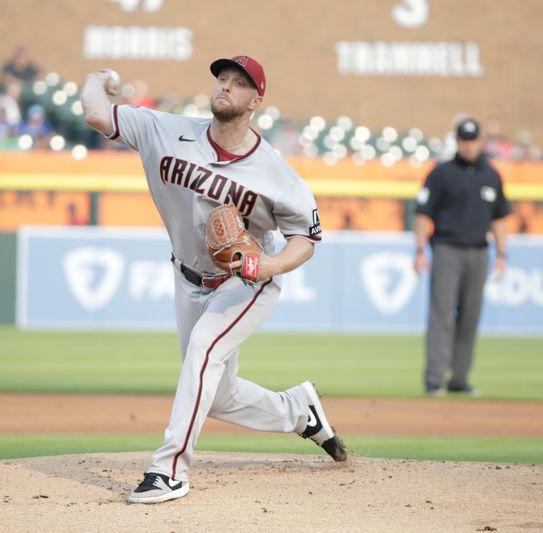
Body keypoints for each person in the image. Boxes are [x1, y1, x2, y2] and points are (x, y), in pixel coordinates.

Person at [81, 55, 347, 504]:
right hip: (186, 277)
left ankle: (168, 470)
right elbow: (94, 112)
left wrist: (268, 267)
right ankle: (299, 411)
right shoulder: (166, 131)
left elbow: (306, 238)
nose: (226, 86)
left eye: (239, 83)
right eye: (222, 78)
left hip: (244, 280)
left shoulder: (276, 173)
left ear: (255, 100)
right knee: (218, 395)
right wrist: (97, 79)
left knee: (204, 349)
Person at [413, 118, 511, 397]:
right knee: (441, 314)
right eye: (464, 140)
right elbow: (423, 214)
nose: (468, 145)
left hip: (479, 251)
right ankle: (434, 379)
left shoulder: (492, 174)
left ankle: (460, 378)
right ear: (457, 141)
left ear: (480, 141)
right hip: (446, 249)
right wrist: (420, 250)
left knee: (470, 316)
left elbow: (500, 218)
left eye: (473, 139)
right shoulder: (441, 173)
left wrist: (502, 253)